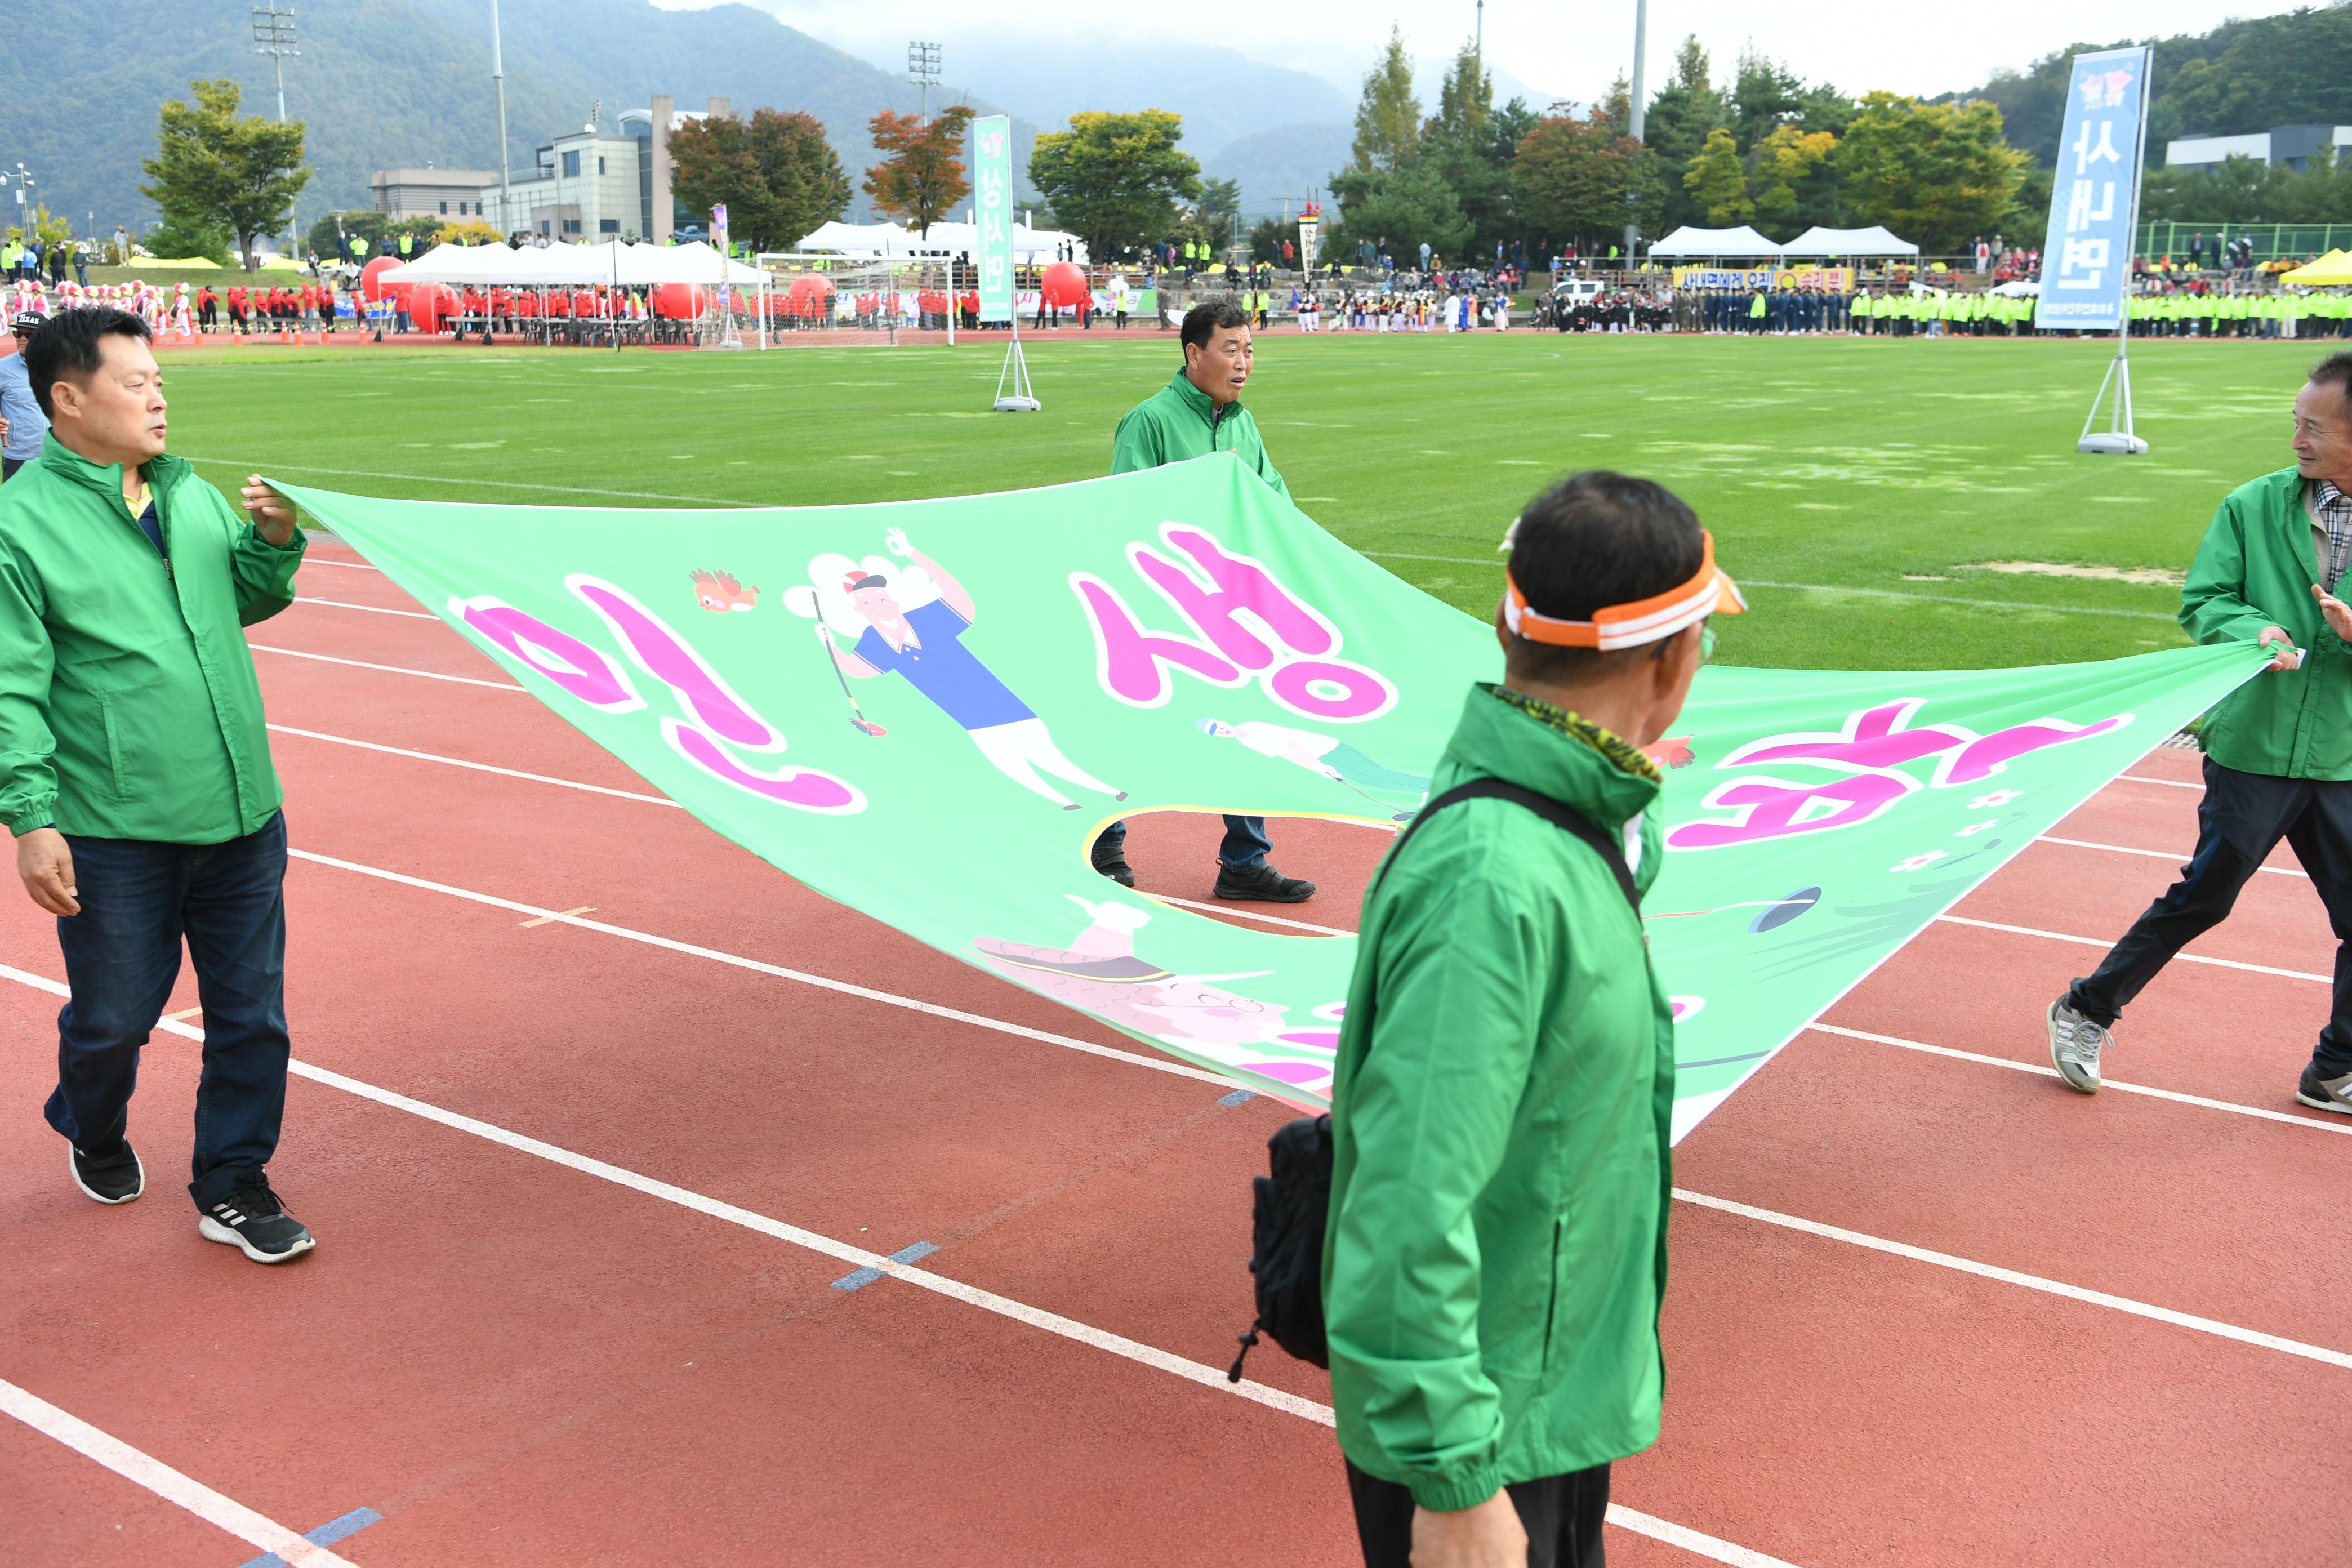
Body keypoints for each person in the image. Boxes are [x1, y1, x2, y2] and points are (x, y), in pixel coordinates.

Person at [1325, 471, 1740, 1568]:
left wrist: (1611, 788)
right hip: (1487, 1426)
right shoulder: (1494, 880)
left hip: (1536, 1386)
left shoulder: (1552, 821)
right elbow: (1409, 1203)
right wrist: (1456, 1482)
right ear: (1668, 663)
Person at [0, 306, 318, 1259]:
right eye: (135, 381)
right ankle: (91, 1119)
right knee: (113, 1018)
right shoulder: (19, 524)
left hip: (241, 809)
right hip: (115, 827)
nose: (158, 395)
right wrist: (30, 816)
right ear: (67, 398)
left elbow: (245, 598)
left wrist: (271, 539)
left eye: (159, 379)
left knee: (251, 1015)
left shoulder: (185, 492)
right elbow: (11, 682)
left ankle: (234, 1182)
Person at [2047, 351, 2352, 1116]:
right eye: (2295, 423)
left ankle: (2335, 1068)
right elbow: (2207, 600)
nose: (2296, 441)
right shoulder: (2253, 507)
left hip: (2346, 753)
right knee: (2207, 895)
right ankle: (2086, 1009)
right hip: (2255, 743)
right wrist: (2257, 629)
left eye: (2313, 427)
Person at [1097, 295, 1314, 903]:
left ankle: (1244, 863)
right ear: (1195, 354)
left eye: (1250, 351)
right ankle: (1106, 841)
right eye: (1231, 350)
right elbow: (1128, 513)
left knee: (1246, 726)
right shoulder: (1151, 421)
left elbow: (1274, 504)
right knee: (1132, 724)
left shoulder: (1242, 421)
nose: (1244, 363)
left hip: (1228, 612)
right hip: (1162, 608)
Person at [1, 311, 48, 480]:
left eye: (29, 334)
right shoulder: (2, 369)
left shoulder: (59, 365)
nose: (22, 338)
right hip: (18, 456)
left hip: (54, 454)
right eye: (18, 333)